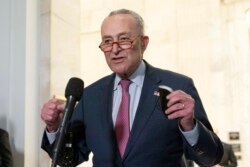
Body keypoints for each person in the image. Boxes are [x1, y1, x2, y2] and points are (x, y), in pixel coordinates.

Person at [41, 9, 224, 167]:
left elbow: (210, 158)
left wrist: (189, 125)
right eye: (107, 41)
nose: (115, 49)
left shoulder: (178, 86)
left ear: (143, 43)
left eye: (124, 39)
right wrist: (53, 128)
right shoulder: (90, 96)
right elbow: (68, 160)